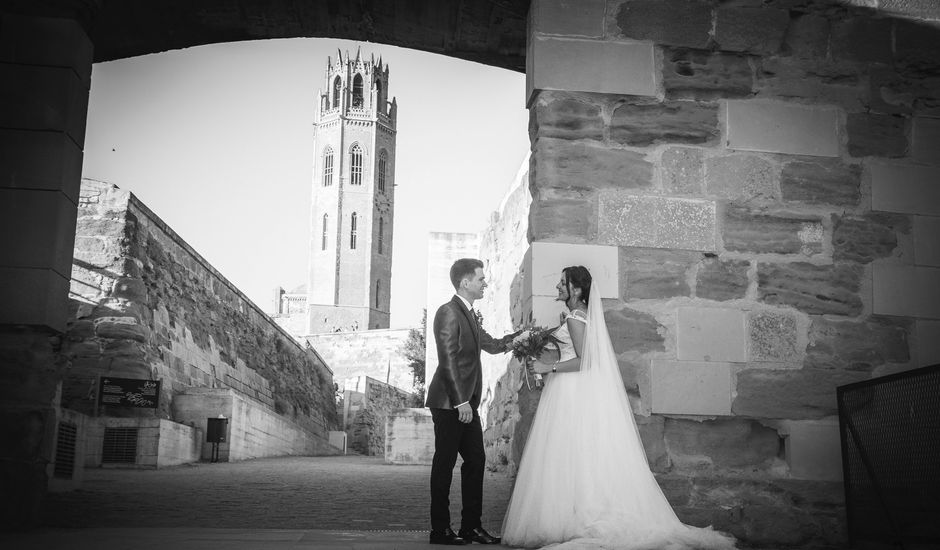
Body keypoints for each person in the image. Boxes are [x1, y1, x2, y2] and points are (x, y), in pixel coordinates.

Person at [501, 266, 737, 550]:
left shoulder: (576, 317)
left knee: (570, 452)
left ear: (576, 289)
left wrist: (546, 366)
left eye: (563, 283)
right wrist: (538, 352)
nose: (558, 288)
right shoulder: (577, 317)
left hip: (571, 390)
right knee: (575, 453)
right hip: (567, 389)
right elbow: (572, 353)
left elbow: (584, 360)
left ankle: (572, 515)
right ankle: (572, 512)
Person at [426, 258, 517, 546]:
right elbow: (447, 359)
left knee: (476, 461)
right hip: (449, 404)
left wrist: (519, 338)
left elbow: (490, 344)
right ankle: (439, 530)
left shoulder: (470, 314)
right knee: (444, 464)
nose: (485, 283)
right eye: (481, 279)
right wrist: (460, 402)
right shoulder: (448, 312)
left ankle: (470, 527)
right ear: (465, 282)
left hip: (466, 404)